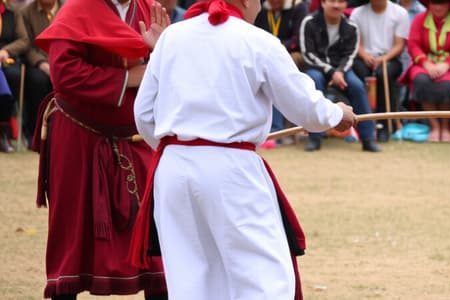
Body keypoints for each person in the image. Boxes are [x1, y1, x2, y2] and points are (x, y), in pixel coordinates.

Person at [131, 0, 357, 297]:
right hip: (231, 169)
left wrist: (178, 148)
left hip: (173, 170)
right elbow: (305, 108)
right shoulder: (258, 41)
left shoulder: (172, 37)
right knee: (263, 276)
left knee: (190, 279)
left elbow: (143, 113)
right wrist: (337, 114)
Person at [30, 0, 170, 298]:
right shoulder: (77, 8)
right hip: (79, 138)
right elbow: (64, 73)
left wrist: (162, 54)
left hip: (136, 138)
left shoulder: (150, 9)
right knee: (72, 232)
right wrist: (130, 77)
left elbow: (169, 73)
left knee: (156, 235)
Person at [299, 0, 381, 152]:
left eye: (341, 1)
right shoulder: (309, 22)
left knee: (357, 86)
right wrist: (331, 72)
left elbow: (350, 55)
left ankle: (368, 138)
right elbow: (308, 54)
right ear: (323, 3)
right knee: (314, 82)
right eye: (332, 1)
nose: (336, 5)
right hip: (317, 69)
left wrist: (340, 72)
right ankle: (314, 137)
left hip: (343, 71)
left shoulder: (351, 27)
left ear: (345, 5)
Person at [401, 0, 450, 142]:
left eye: (442, 3)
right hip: (424, 64)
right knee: (421, 80)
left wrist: (446, 65)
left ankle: (445, 127)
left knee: (446, 85)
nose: (438, 7)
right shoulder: (419, 19)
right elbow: (413, 45)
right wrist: (426, 64)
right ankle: (434, 126)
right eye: (434, 3)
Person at [350, 0, 409, 142]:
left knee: (384, 74)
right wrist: (366, 56)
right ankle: (360, 124)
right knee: (358, 75)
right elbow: (356, 43)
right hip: (364, 58)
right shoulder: (357, 13)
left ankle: (385, 124)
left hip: (390, 58)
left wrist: (384, 58)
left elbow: (400, 45)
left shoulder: (399, 12)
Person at [254, 0, 309, 147]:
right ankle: (271, 129)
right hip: (266, 55)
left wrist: (273, 49)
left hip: (294, 54)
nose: (274, 2)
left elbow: (299, 40)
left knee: (276, 72)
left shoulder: (299, 7)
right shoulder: (259, 8)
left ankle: (278, 129)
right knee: (265, 69)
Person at [19, 0, 59, 152]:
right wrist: (42, 63)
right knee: (37, 80)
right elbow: (27, 45)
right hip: (38, 63)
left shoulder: (67, 8)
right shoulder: (26, 12)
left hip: (63, 62)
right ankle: (34, 133)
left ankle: (59, 132)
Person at [0, 0, 28, 151]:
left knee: (13, 76)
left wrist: (6, 51)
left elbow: (24, 40)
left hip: (6, 59)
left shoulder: (13, 12)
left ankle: (4, 131)